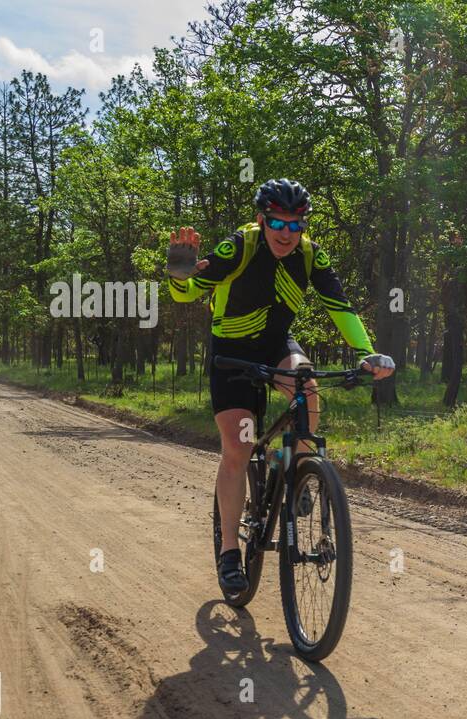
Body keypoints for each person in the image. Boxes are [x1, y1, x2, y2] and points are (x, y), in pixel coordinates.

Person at [166, 178, 394, 594]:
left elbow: (339, 306)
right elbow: (189, 293)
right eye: (277, 223)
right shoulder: (239, 247)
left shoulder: (310, 256)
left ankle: (296, 469)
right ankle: (230, 552)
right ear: (261, 219)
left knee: (306, 385)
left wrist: (366, 352)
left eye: (296, 225)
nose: (286, 234)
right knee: (236, 446)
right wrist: (180, 276)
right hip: (231, 353)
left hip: (275, 346)